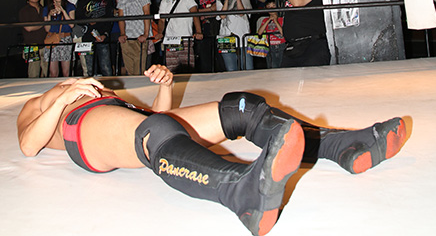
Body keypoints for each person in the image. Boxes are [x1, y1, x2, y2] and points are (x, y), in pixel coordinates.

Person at [16, 70, 408, 236]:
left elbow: (156, 120)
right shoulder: (43, 100)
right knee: (154, 133)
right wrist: (62, 96)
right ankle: (239, 191)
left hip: (124, 123)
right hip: (80, 127)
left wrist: (165, 86)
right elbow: (28, 144)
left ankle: (343, 146)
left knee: (240, 108)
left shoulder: (103, 93)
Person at [258, 0, 330, 68]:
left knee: (313, 77)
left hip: (312, 44)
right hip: (292, 46)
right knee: (287, 77)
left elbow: (297, 2)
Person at [156, 0, 202, 73]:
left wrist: (198, 31)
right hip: (170, 40)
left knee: (187, 69)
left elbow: (195, 14)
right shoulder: (164, 1)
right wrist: (160, 32)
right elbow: (161, 20)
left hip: (185, 39)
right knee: (171, 70)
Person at [75, 0, 114, 76]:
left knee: (106, 68)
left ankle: (109, 86)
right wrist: (88, 22)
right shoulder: (82, 1)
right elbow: (78, 19)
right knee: (90, 69)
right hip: (87, 38)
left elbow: (110, 19)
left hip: (103, 37)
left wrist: (105, 34)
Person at [217, 0, 254, 71]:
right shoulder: (219, 0)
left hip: (243, 37)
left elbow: (242, 13)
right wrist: (226, 0)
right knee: (231, 70)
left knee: (248, 68)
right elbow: (222, 16)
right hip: (226, 37)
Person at [116, 0, 152, 75]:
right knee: (129, 67)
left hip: (140, 36)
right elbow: (121, 16)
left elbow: (146, 13)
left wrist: (145, 34)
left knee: (139, 68)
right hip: (128, 36)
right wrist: (122, 34)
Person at [192, 0, 220, 73]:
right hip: (203, 27)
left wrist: (204, 12)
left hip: (219, 25)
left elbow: (221, 6)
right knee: (205, 59)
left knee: (220, 57)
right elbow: (192, 11)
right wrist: (210, 10)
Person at [42, 0, 75, 78]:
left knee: (66, 72)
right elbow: (47, 29)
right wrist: (49, 15)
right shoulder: (47, 8)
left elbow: (72, 25)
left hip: (65, 38)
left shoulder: (69, 6)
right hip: (53, 40)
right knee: (53, 73)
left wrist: (63, 11)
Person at [18, 0, 47, 78]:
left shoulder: (44, 9)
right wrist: (44, 23)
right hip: (31, 46)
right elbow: (29, 28)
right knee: (33, 74)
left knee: (47, 74)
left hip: (46, 45)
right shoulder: (24, 11)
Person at [64, 0, 88, 76]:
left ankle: (87, 78)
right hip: (66, 34)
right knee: (68, 62)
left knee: (85, 61)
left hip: (81, 33)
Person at [256, 0, 286, 69]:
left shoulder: (282, 19)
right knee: (271, 66)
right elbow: (259, 32)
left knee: (281, 66)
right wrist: (269, 20)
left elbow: (283, 33)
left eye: (273, 6)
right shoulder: (265, 20)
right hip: (270, 46)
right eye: (269, 7)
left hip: (281, 45)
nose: (271, 8)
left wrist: (276, 21)